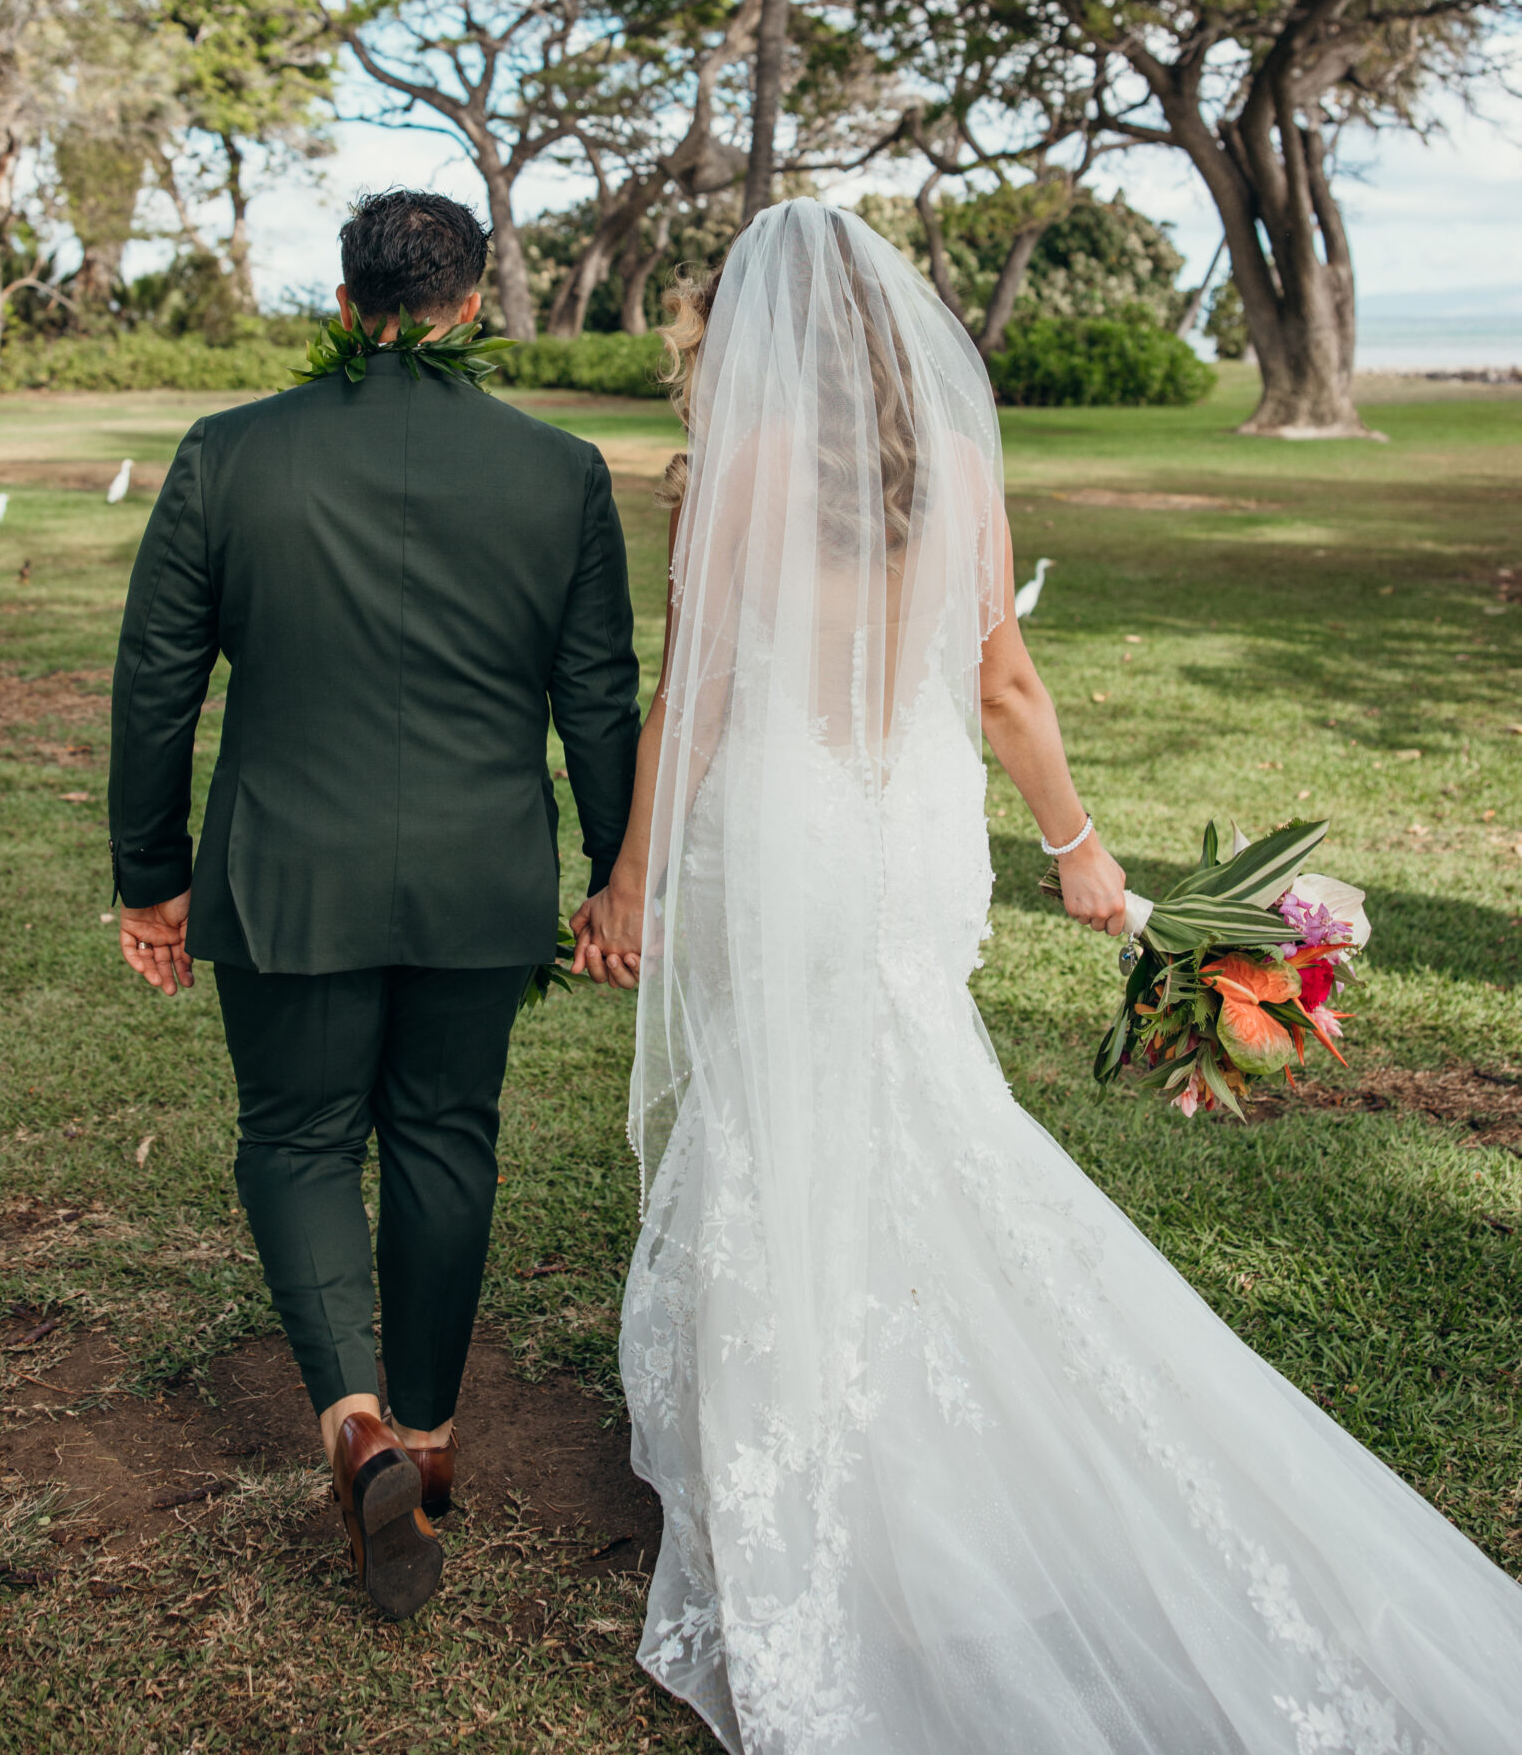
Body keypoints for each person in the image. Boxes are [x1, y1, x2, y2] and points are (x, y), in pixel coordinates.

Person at [572, 200, 1522, 1755]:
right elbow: (1004, 685)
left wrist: (627, 878)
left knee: (783, 1116)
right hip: (915, 821)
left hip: (787, 822)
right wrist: (1079, 850)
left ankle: (821, 1432)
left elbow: (700, 688)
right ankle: (914, 1404)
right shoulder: (955, 468)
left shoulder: (730, 471)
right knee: (922, 1097)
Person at [108, 189, 639, 1620]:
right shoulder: (560, 470)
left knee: (294, 1134)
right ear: (472, 308)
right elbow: (598, 692)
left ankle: (351, 1425)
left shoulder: (229, 456)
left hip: (288, 868)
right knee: (446, 1138)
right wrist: (611, 869)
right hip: (482, 872)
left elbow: (157, 680)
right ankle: (432, 1432)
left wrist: (147, 876)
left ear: (345, 304)